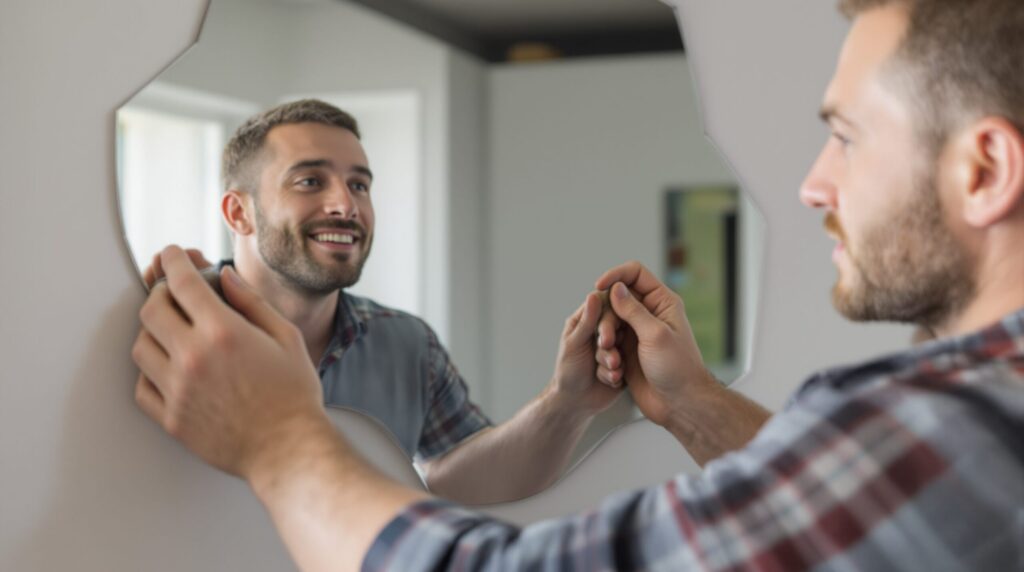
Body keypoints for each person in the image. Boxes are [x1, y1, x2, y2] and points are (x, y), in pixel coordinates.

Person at [131, 0, 1024, 569]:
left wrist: (280, 444)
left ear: (984, 170)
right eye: (312, 180)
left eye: (847, 135)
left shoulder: (962, 426)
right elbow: (839, 504)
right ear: (236, 213)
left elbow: (474, 526)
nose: (813, 184)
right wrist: (688, 403)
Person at [141, 100, 624, 505]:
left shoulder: (408, 344)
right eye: (311, 181)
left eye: (359, 184)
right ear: (238, 212)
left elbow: (460, 487)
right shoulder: (169, 329)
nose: (346, 205)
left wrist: (567, 401)